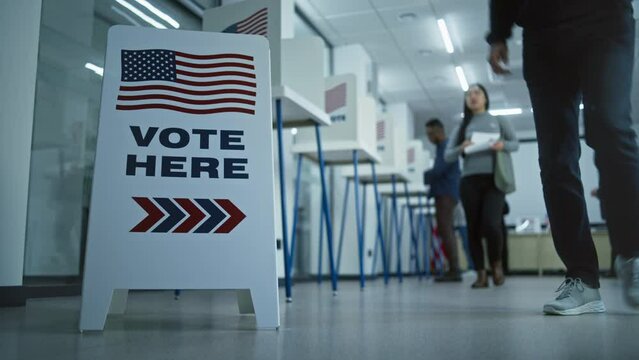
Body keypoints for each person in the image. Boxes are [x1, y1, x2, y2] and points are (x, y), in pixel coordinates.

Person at [488, 0, 639, 314]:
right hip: (543, 34)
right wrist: (499, 34)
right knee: (556, 157)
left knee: (611, 127)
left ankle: (635, 254)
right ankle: (582, 277)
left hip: (604, 17)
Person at [445, 84, 519, 288]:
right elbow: (448, 155)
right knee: (474, 229)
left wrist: (502, 145)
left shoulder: (498, 120)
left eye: (477, 92)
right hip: (469, 181)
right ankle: (481, 274)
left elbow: (515, 143)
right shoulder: (462, 126)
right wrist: (462, 146)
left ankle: (496, 265)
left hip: (494, 180)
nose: (472, 96)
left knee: (491, 224)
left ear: (485, 97)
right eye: (468, 94)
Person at [424, 118, 463, 282]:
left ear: (439, 131)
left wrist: (424, 175)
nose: (429, 137)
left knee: (446, 230)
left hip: (445, 194)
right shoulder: (444, 147)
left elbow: (439, 170)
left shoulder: (445, 146)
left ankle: (454, 269)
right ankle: (453, 268)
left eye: (430, 133)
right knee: (445, 230)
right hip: (447, 193)